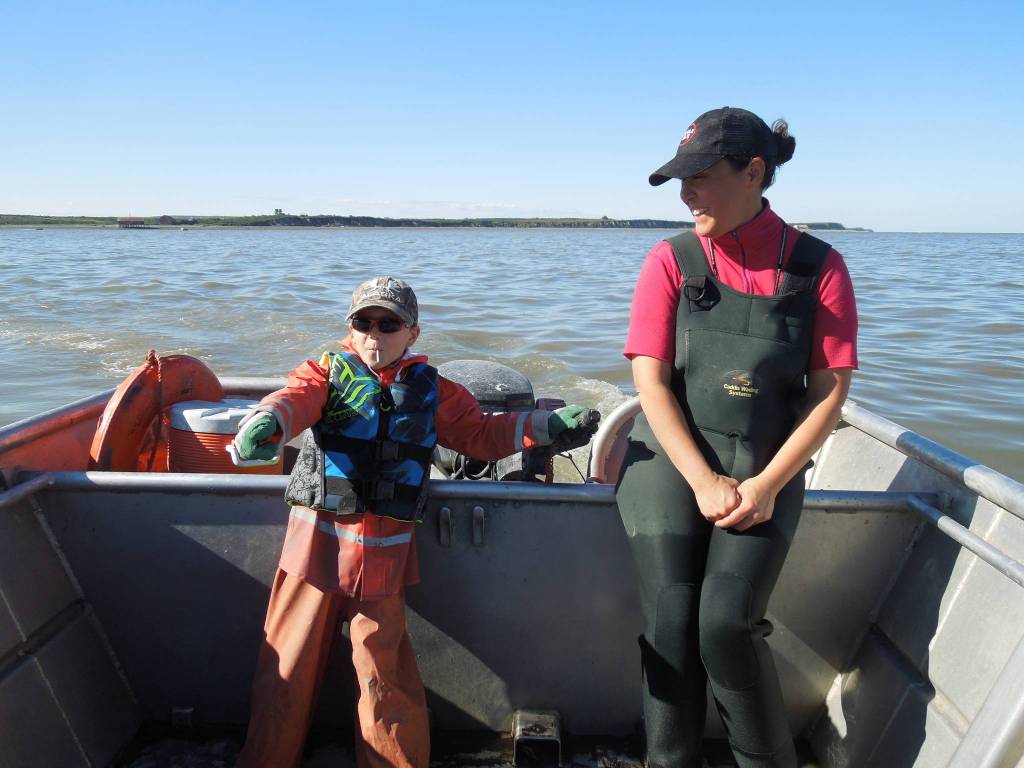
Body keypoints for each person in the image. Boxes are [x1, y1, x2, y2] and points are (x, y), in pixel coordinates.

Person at [234, 275, 599, 768]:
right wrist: (267, 422)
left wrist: (543, 426)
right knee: (287, 664)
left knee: (383, 675)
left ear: (413, 333)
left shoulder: (434, 390)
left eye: (388, 324)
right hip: (313, 549)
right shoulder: (325, 371)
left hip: (381, 553)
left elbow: (480, 434)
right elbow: (293, 399)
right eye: (362, 323)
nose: (373, 335)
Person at [616, 107, 858, 767]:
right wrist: (702, 480)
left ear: (755, 172)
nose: (687, 193)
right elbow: (652, 385)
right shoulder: (671, 260)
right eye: (679, 180)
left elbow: (829, 392)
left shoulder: (818, 268)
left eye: (701, 177)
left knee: (724, 625)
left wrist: (765, 485)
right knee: (671, 625)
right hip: (670, 461)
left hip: (765, 467)